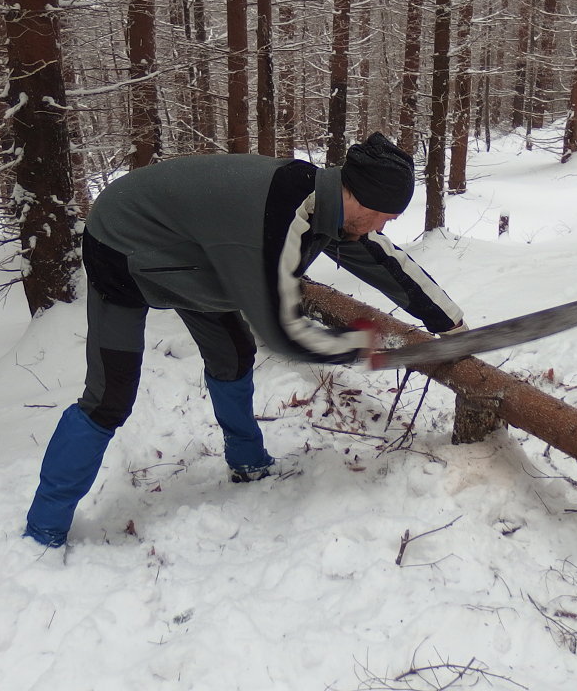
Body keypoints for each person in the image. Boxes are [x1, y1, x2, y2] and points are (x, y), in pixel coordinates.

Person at [24, 133, 465, 548]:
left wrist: (451, 326)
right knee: (109, 397)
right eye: (389, 213)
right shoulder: (284, 216)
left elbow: (383, 261)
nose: (389, 223)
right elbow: (284, 333)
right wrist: (365, 347)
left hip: (195, 249)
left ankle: (248, 462)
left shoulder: (331, 207)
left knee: (233, 354)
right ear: (362, 198)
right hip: (121, 243)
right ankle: (44, 527)